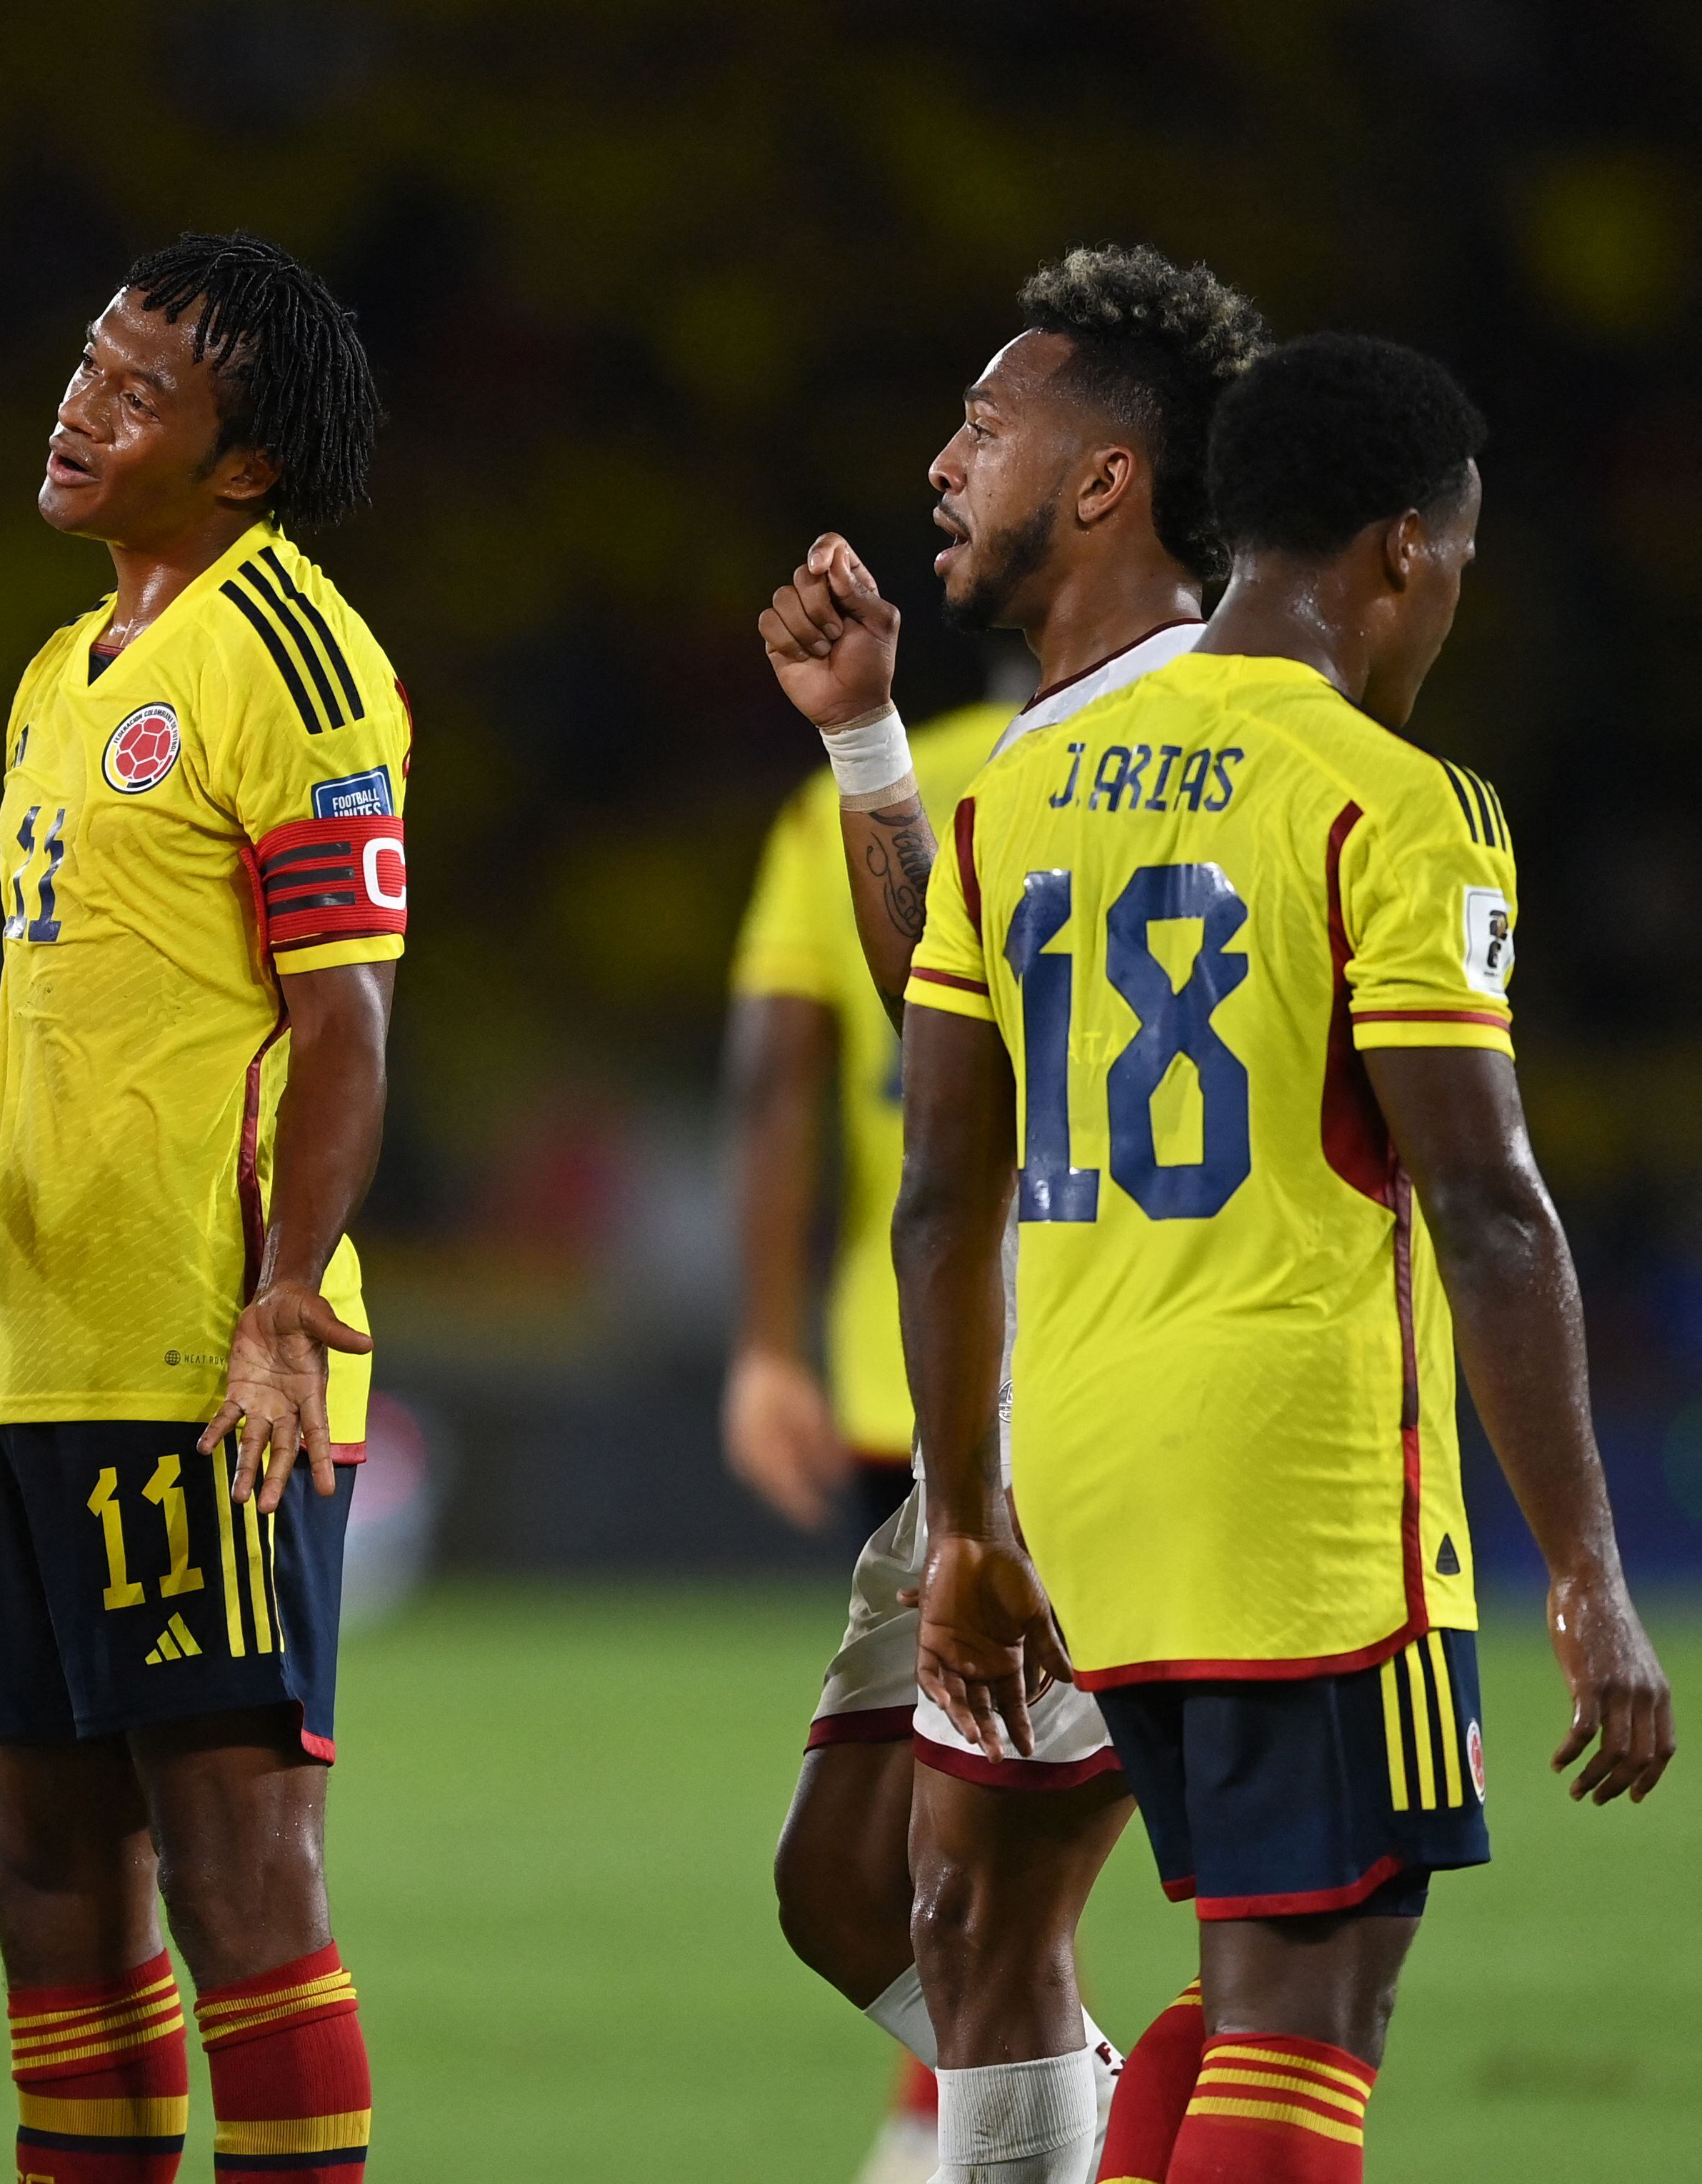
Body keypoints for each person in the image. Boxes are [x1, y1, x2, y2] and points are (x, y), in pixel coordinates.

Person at [899, 331, 1676, 2184]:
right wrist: (1586, 1572)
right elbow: (1483, 1204)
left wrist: (964, 1523)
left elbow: (938, 1193)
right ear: (1402, 545)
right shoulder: (1392, 802)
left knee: (1245, 1986)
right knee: (1316, 2009)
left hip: (1083, 1488)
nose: (1448, 606)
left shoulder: (1014, 790)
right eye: (1455, 565)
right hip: (1298, 1497)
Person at [0, 233, 401, 2184]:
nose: (79, 405)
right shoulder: (52, 679)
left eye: (137, 389)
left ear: (242, 463)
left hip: (196, 1366)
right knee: (46, 1879)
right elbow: (37, 1049)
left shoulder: (296, 659)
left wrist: (279, 1301)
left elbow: (343, 1023)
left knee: (236, 1872)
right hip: (28, 1364)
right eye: (87, 362)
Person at [754, 246, 1268, 2182]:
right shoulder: (1058, 743)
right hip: (1012, 1403)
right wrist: (862, 741)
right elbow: (948, 1008)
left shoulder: (1206, 732)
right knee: (842, 1891)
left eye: (984, 425)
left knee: (980, 1918)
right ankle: (1122, 2141)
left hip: (1106, 1398)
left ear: (1103, 478)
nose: (941, 461)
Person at [724, 682, 1011, 2183]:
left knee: (951, 1793)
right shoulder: (1194, 772)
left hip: (897, 1352)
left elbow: (777, 1071)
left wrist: (768, 1343)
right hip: (1105, 1349)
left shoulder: (848, 801)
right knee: (1004, 1795)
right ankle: (993, 2112)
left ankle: (976, 2115)